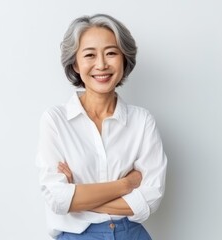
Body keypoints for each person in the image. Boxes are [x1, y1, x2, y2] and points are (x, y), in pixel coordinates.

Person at [36, 13, 167, 240]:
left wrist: (78, 198)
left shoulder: (142, 121)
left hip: (132, 234)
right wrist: (127, 183)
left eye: (111, 53)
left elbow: (151, 197)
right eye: (89, 55)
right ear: (75, 63)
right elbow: (57, 198)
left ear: (124, 59)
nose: (101, 64)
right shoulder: (55, 120)